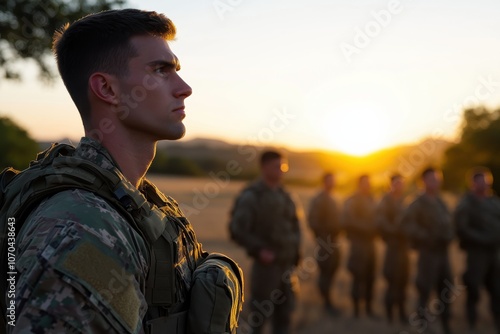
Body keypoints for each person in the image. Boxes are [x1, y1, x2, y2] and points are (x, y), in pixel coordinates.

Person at [2, 9, 243, 333]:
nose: (184, 88)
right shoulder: (81, 226)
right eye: (161, 70)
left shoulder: (136, 201)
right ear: (108, 89)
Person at [230, 150, 301, 334]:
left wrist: (296, 252)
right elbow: (238, 229)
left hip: (287, 266)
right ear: (264, 167)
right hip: (266, 268)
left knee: (284, 316)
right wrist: (259, 250)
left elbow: (295, 226)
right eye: (277, 166)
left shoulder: (286, 196)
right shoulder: (252, 196)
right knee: (259, 318)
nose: (281, 170)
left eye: (283, 166)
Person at [402, 167, 454, 334]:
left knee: (446, 289)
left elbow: (449, 222)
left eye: (438, 178)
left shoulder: (440, 201)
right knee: (425, 289)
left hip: (443, 253)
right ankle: (422, 325)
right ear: (423, 181)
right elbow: (406, 224)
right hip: (428, 253)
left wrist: (449, 234)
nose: (435, 182)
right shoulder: (417, 203)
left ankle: (446, 324)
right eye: (432, 179)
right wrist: (425, 235)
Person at [454, 167, 500, 333]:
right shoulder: (466, 203)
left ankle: (496, 320)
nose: (485, 184)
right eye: (481, 181)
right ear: (473, 183)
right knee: (473, 287)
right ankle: (471, 322)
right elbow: (462, 228)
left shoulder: (494, 201)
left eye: (487, 180)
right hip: (476, 254)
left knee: (496, 288)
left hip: (494, 253)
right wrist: (483, 238)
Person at [342, 174, 377, 318]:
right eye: (364, 183)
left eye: (368, 183)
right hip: (358, 244)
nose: (367, 185)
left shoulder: (371, 199)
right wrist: (367, 227)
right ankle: (356, 309)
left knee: (370, 277)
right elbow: (347, 221)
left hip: (370, 245)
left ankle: (368, 307)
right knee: (358, 276)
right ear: (359, 184)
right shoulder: (352, 201)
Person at [376, 174, 409, 324]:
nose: (399, 186)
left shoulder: (404, 201)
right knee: (392, 280)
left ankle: (402, 312)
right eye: (396, 183)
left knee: (403, 281)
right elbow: (382, 222)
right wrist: (396, 229)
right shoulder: (386, 201)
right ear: (391, 185)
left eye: (401, 184)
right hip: (393, 248)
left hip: (404, 248)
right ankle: (390, 314)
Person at [307, 172, 341, 316]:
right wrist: (323, 239)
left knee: (332, 271)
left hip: (334, 243)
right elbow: (313, 221)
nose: (332, 183)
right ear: (324, 182)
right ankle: (326, 302)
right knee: (326, 272)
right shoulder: (319, 199)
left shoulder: (333, 198)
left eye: (333, 180)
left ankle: (328, 300)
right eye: (329, 181)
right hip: (325, 243)